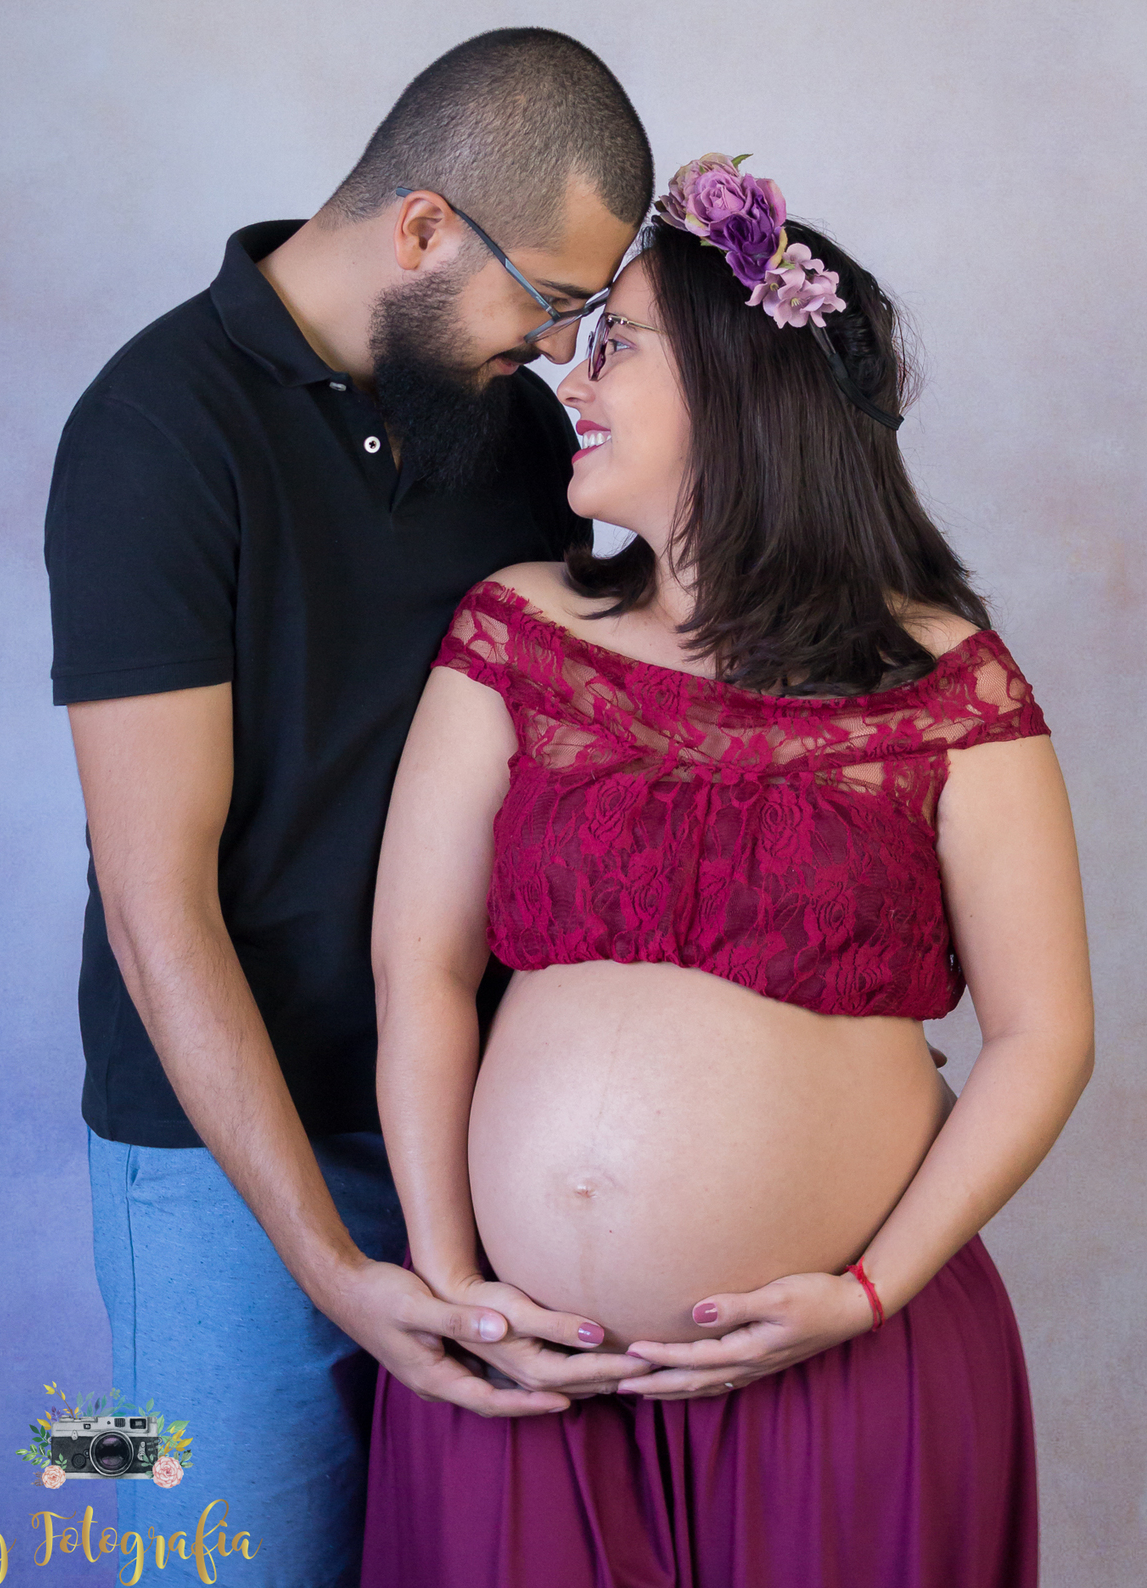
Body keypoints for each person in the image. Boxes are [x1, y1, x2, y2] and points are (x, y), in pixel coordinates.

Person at [361, 155, 1094, 1588]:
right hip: (522, 1379)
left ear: (745, 383)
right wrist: (457, 1281)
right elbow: (421, 969)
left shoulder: (948, 684)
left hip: (834, 1376)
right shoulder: (516, 630)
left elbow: (1043, 1032)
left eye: (615, 342)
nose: (568, 375)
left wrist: (867, 1296)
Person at [44, 28, 655, 1587]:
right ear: (427, 227)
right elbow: (151, 891)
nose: (556, 348)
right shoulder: (156, 427)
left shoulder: (509, 430)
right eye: (550, 299)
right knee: (217, 1553)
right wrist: (322, 1255)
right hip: (227, 1155)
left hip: (474, 1123)